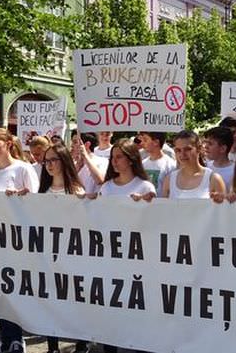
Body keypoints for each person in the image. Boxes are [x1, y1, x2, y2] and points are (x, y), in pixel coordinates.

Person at [0, 128, 39, 353]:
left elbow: (37, 202)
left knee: (15, 289)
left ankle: (17, 338)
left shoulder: (23, 168)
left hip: (19, 239)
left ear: (8, 143)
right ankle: (6, 338)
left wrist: (21, 197)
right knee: (1, 290)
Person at [97, 139, 155, 353]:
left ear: (132, 160)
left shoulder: (145, 186)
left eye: (119, 156)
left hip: (136, 258)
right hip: (111, 256)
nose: (114, 161)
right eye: (113, 157)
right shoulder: (107, 187)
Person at [38, 143, 89, 353]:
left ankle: (81, 343)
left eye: (53, 160)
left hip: (72, 254)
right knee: (51, 300)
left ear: (63, 161)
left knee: (76, 300)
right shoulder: (41, 191)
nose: (49, 165)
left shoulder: (76, 190)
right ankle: (53, 346)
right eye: (46, 161)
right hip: (48, 255)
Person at [161, 130, 226, 199]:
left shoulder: (214, 179)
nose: (182, 154)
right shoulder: (169, 179)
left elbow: (224, 208)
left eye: (187, 149)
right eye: (178, 150)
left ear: (199, 149)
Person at [71, 131, 107, 197]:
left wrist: (85, 157)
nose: (71, 145)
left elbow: (100, 180)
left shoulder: (102, 161)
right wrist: (77, 167)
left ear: (87, 145)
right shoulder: (74, 164)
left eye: (75, 142)